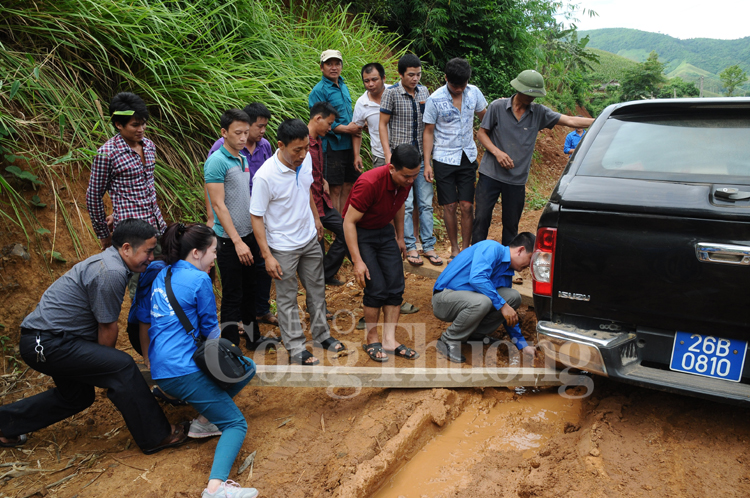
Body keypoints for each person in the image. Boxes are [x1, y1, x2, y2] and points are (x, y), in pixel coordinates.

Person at [0, 219, 187, 454]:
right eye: (148, 251)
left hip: (49, 340)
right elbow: (107, 329)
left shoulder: (110, 262)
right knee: (121, 367)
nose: (151, 257)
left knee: (77, 397)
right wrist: (106, 368)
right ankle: (158, 436)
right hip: (46, 342)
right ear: (127, 248)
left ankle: (4, 425)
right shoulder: (111, 271)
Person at [148, 223, 259, 498]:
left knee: (247, 368)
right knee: (235, 424)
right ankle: (215, 488)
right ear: (196, 253)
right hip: (182, 371)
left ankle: (204, 421)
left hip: (161, 368)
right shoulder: (199, 280)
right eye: (213, 251)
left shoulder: (162, 274)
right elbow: (211, 334)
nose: (215, 258)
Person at [250, 119, 344, 366]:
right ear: (280, 145)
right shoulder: (265, 177)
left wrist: (315, 218)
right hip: (282, 247)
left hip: (309, 239)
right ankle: (295, 347)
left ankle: (323, 335)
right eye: (297, 150)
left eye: (305, 148)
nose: (303, 154)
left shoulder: (306, 161)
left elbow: (306, 191)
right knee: (287, 298)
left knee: (317, 290)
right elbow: (256, 217)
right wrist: (267, 255)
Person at [473, 70, 595, 245]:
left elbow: (570, 121)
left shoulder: (539, 113)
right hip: (490, 175)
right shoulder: (497, 107)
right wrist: (497, 152)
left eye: (536, 95)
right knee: (481, 219)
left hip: (516, 180)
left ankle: (507, 267)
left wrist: (602, 120)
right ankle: (475, 261)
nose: (533, 98)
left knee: (511, 227)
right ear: (519, 89)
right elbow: (482, 134)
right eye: (530, 94)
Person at [205, 109, 279, 350]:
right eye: (238, 133)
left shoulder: (242, 158)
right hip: (229, 240)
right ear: (223, 132)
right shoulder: (216, 160)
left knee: (250, 292)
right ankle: (229, 347)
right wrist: (237, 241)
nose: (243, 137)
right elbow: (218, 204)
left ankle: (254, 339)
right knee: (232, 295)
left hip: (247, 235)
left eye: (246, 132)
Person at [342, 144, 422, 362]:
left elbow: (398, 206)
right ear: (392, 168)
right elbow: (348, 222)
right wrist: (357, 261)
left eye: (415, 175)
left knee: (395, 286)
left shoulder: (405, 180)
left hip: (384, 232)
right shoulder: (369, 183)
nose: (411, 181)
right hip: (362, 234)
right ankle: (371, 339)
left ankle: (389, 340)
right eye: (407, 176)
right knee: (375, 287)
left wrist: (399, 237)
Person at [432, 233, 537, 363]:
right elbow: (477, 278)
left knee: (513, 297)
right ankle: (448, 340)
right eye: (530, 258)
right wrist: (503, 306)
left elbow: (508, 315)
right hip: (444, 299)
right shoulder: (492, 248)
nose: (530, 264)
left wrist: (523, 345)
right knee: (484, 302)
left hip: (467, 301)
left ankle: (475, 335)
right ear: (520, 250)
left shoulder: (506, 273)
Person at [423, 58, 487, 262]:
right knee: (449, 206)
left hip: (467, 156)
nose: (459, 89)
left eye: (463, 85)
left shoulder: (474, 93)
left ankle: (466, 249)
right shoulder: (435, 99)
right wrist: (427, 163)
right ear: (446, 79)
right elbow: (428, 131)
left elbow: (484, 117)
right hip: (443, 158)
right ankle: (454, 248)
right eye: (454, 85)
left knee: (468, 206)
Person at [379, 54, 441, 267]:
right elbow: (382, 124)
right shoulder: (391, 93)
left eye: (418, 74)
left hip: (421, 159)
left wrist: (428, 161)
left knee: (425, 203)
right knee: (405, 204)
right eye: (411, 75)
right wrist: (388, 155)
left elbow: (428, 128)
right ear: (401, 74)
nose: (415, 79)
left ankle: (429, 245)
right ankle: (410, 245)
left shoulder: (424, 92)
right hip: (401, 159)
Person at [86, 92, 166, 250]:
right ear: (118, 125)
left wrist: (115, 214)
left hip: (157, 227)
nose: (141, 129)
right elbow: (93, 197)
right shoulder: (107, 154)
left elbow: (142, 190)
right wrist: (103, 234)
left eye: (143, 124)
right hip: (131, 237)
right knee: (135, 274)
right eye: (135, 125)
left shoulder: (149, 146)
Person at [308, 49, 362, 214]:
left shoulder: (343, 85)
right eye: (329, 64)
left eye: (337, 63)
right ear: (321, 67)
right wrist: (347, 129)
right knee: (335, 188)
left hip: (349, 144)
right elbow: (320, 120)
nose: (334, 67)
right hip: (332, 146)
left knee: (348, 185)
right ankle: (337, 229)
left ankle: (345, 224)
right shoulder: (318, 90)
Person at [308, 102, 349, 286]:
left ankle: (326, 273)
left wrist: (323, 179)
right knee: (316, 248)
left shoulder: (319, 141)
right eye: (329, 123)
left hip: (323, 200)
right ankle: (318, 286)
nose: (330, 128)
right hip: (310, 206)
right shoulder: (302, 143)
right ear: (318, 118)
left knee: (346, 231)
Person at [353, 62, 387, 169]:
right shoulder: (362, 103)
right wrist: (356, 155)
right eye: (366, 81)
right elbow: (356, 131)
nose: (370, 84)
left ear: (383, 78)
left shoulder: (394, 93)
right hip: (380, 156)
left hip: (402, 152)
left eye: (374, 80)